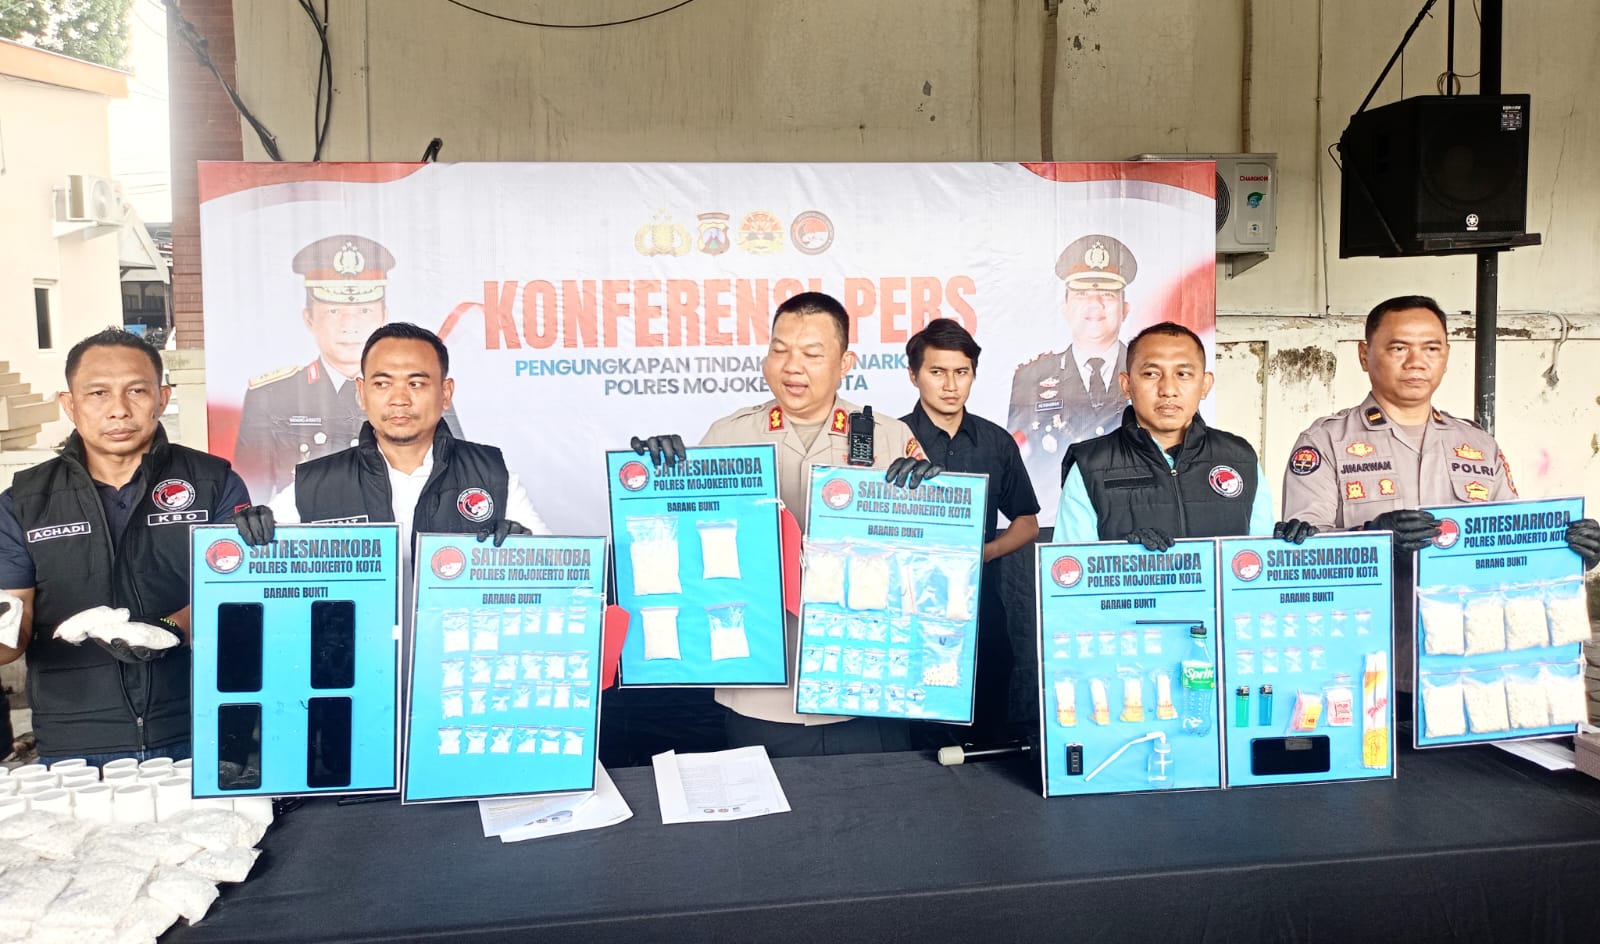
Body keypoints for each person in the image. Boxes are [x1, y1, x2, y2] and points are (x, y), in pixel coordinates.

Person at [632, 291, 938, 757]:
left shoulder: (890, 438)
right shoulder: (729, 436)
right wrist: (660, 477)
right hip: (763, 694)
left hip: (866, 686)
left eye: (812, 354)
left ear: (845, 363)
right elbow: (678, 548)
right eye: (780, 350)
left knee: (876, 802)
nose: (792, 366)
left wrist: (931, 500)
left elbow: (932, 563)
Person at [1279, 295, 1599, 678]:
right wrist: (1374, 538)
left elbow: (1511, 546)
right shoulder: (1326, 442)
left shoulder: (1477, 444)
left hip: (1468, 659)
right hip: (1368, 659)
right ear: (1365, 355)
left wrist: (1569, 553)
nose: (1416, 362)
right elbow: (1301, 556)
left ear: (1446, 356)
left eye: (1431, 348)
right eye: (1399, 348)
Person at [0, 329, 250, 764]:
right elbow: (13, 626)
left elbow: (236, 594)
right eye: (98, 393)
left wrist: (170, 628)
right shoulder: (24, 501)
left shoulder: (214, 483)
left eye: (136, 390)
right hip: (76, 738)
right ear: (69, 404)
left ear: (162, 398)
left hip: (201, 723)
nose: (118, 409)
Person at [233, 323, 547, 573]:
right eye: (382, 384)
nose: (399, 399)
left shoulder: (491, 474)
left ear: (446, 393)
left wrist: (526, 551)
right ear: (361, 393)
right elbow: (245, 566)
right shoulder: (314, 484)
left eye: (416, 383)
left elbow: (551, 567)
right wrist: (245, 534)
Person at [232, 234, 464, 502]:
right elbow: (252, 498)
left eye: (364, 312)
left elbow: (457, 479)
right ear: (309, 319)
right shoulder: (271, 396)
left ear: (384, 316)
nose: (349, 325)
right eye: (333, 312)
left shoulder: (423, 392)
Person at [899, 319, 1040, 742]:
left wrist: (986, 553)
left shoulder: (996, 442)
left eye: (961, 372)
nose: (950, 385)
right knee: (912, 735)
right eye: (937, 372)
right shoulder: (892, 438)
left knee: (985, 729)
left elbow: (1027, 522)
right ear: (914, 375)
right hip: (907, 611)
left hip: (980, 609)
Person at [1055, 321, 1312, 547]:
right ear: (1126, 385)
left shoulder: (1239, 458)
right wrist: (1124, 554)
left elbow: (1257, 561)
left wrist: (1290, 547)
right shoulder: (1091, 465)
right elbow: (1070, 571)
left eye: (1183, 374)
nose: (1168, 389)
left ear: (1205, 384)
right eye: (1151, 374)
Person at [1009, 234, 1137, 497]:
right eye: (1081, 294)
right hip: (1057, 511)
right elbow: (1017, 462)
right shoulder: (1031, 378)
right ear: (1065, 308)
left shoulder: (1147, 373)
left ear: (1125, 309)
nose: (1095, 304)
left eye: (1107, 294)